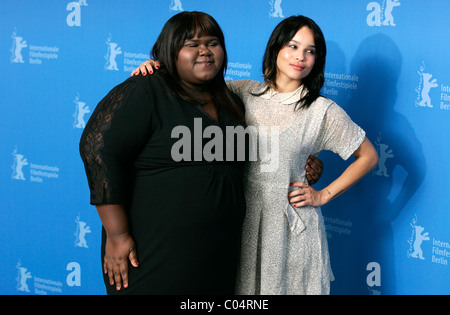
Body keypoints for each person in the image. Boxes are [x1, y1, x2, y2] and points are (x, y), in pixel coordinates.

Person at [133, 15, 379, 295]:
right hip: (243, 222)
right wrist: (159, 69)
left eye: (310, 51)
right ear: (275, 49)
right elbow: (191, 84)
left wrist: (323, 194)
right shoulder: (243, 92)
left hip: (291, 231)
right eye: (293, 46)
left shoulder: (322, 111)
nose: (301, 57)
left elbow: (369, 156)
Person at [80, 11, 322, 295]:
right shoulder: (147, 89)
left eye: (213, 42)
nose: (205, 51)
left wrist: (306, 165)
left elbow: (258, 155)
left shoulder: (233, 100)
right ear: (170, 50)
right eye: (191, 44)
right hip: (154, 257)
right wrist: (117, 235)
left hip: (219, 259)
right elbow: (97, 149)